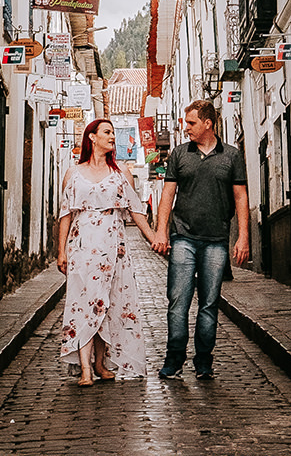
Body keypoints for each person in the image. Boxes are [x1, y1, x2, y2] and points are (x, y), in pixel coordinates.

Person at [57, 117, 166, 385]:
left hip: (112, 247)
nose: (112, 137)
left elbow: (136, 210)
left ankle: (100, 363)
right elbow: (65, 214)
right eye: (107, 132)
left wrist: (154, 237)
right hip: (82, 246)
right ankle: (85, 369)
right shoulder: (73, 173)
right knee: (83, 303)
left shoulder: (121, 173)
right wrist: (61, 251)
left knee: (106, 303)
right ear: (92, 137)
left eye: (113, 133)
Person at [154, 98, 249, 382]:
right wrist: (161, 231)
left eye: (191, 123)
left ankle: (204, 361)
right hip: (183, 237)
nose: (186, 128)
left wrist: (243, 237)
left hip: (216, 240)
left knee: (209, 304)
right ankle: (174, 359)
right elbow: (167, 195)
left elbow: (241, 197)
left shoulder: (231, 156)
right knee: (178, 301)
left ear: (208, 123)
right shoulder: (179, 154)